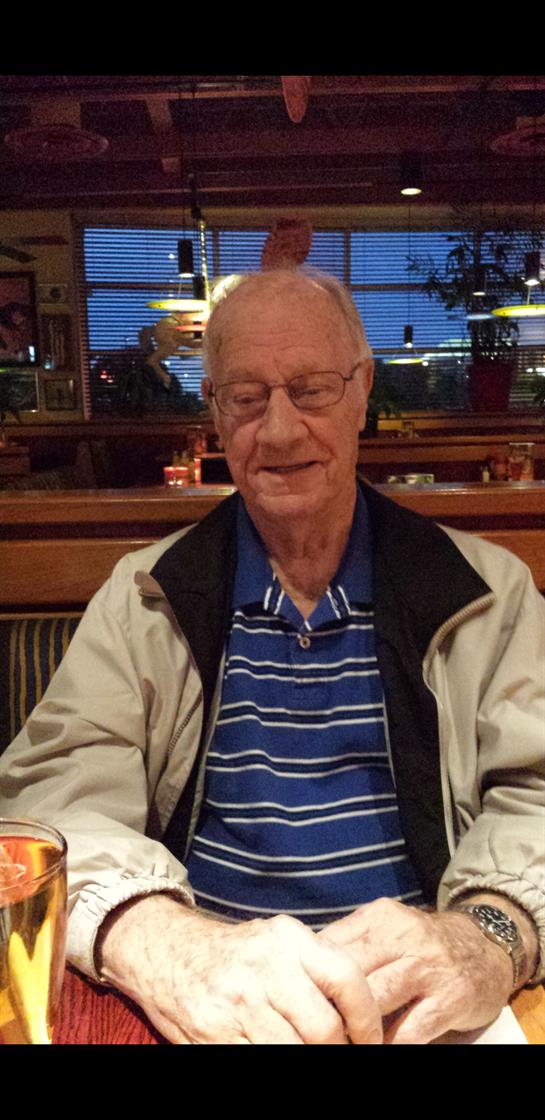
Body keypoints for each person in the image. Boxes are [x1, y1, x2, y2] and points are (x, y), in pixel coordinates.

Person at [0, 269, 543, 1045]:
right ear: (214, 411)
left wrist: (484, 937)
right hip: (205, 1006)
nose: (280, 431)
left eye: (311, 390)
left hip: (420, 1015)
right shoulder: (145, 596)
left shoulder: (487, 594)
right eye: (246, 397)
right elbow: (49, 804)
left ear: (363, 391)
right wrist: (160, 941)